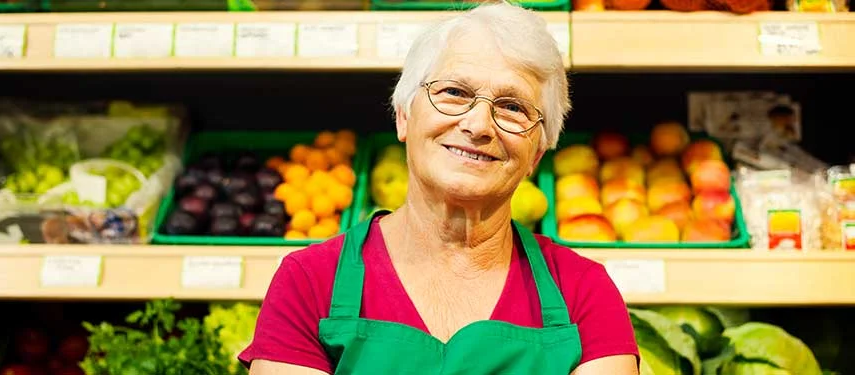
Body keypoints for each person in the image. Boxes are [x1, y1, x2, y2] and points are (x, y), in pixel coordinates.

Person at [240, 2, 639, 374]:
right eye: (454, 93)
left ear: (537, 153)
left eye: (513, 107)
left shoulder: (585, 294)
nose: (479, 125)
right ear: (404, 116)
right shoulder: (309, 282)